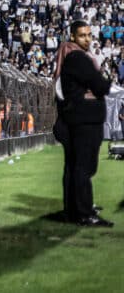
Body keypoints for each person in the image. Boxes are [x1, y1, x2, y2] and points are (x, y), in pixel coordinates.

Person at [59, 20, 113, 227]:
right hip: (85, 120)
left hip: (80, 119)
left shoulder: (71, 56)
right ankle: (84, 213)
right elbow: (100, 86)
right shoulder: (77, 57)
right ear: (73, 36)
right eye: (82, 35)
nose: (87, 39)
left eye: (89, 35)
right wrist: (104, 81)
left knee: (76, 167)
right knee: (84, 167)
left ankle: (75, 210)